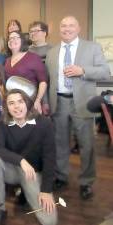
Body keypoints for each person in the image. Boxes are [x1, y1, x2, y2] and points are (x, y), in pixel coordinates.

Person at [45, 16, 110, 200]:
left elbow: (105, 72)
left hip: (82, 102)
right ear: (59, 29)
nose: (67, 28)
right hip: (59, 101)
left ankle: (86, 182)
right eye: (63, 25)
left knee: (86, 144)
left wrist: (83, 71)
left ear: (78, 28)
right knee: (60, 144)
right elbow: (49, 81)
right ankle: (61, 176)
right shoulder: (52, 52)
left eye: (71, 25)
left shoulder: (92, 48)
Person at [0, 89, 57, 225]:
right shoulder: (2, 122)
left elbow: (50, 158)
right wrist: (20, 160)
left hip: (32, 173)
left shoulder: (44, 123)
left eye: (20, 101)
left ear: (27, 103)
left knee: (50, 221)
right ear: (6, 107)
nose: (17, 106)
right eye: (11, 103)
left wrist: (46, 190)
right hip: (11, 169)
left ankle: (25, 192)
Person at [5, 31, 48, 114]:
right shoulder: (7, 61)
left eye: (15, 37)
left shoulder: (33, 57)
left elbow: (43, 81)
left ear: (22, 40)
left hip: (30, 102)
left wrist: (38, 100)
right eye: (10, 38)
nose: (12, 40)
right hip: (13, 105)